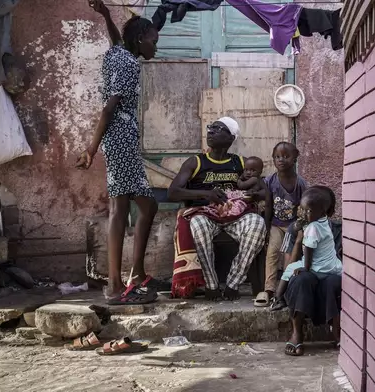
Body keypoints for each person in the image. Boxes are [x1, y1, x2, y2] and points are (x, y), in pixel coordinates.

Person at [77, 0, 164, 305]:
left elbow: (116, 40)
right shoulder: (128, 63)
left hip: (119, 140)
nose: (156, 47)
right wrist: (91, 148)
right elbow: (110, 107)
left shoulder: (118, 53)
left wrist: (105, 15)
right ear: (140, 40)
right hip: (121, 138)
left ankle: (136, 274)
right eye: (154, 41)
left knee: (145, 206)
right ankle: (115, 286)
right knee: (120, 209)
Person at [168, 117, 267, 301]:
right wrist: (206, 195)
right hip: (206, 214)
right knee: (198, 224)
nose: (211, 131)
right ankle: (211, 285)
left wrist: (254, 194)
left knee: (257, 224)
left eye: (218, 128)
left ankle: (233, 283)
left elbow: (261, 187)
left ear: (230, 139)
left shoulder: (240, 162)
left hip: (235, 215)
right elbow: (173, 192)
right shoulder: (196, 162)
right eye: (210, 128)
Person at [254, 142, 308, 307]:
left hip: (294, 225)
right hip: (276, 225)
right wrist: (267, 227)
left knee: (290, 256)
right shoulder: (270, 181)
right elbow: (269, 205)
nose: (281, 160)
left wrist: (300, 230)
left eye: (286, 156)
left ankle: (286, 288)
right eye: (277, 157)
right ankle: (269, 289)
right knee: (272, 253)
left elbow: (304, 209)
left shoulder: (300, 183)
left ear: (295, 157)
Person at [272, 185, 338, 310]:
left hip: (325, 278)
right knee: (303, 279)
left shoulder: (337, 230)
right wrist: (299, 239)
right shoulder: (294, 228)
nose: (302, 212)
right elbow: (287, 268)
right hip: (302, 285)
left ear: (325, 211)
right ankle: (294, 322)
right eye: (302, 208)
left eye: (309, 209)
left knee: (332, 282)